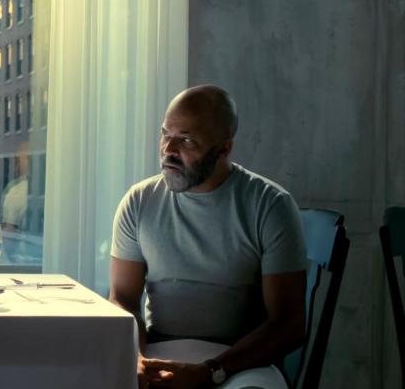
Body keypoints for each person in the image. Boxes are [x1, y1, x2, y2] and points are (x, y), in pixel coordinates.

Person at [109, 85, 307, 388]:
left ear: (224, 149)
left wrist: (211, 371)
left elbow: (288, 324)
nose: (168, 150)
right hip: (158, 353)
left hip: (241, 364)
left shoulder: (269, 205)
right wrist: (133, 356)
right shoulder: (139, 201)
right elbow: (123, 299)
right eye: (165, 134)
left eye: (187, 140)